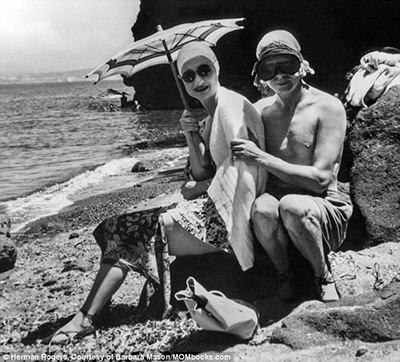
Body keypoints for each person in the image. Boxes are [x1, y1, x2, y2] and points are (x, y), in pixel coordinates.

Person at [44, 41, 266, 344]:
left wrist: (194, 189)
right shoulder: (211, 115)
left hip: (228, 221)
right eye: (188, 77)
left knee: (127, 228)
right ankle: (99, 304)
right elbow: (204, 171)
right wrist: (191, 136)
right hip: (214, 207)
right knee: (113, 225)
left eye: (204, 71)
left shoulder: (230, 109)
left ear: (217, 69)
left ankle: (86, 317)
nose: (198, 81)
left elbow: (243, 172)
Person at [230, 30, 353, 303]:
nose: (280, 75)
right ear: (258, 75)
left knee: (293, 206)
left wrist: (262, 157)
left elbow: (321, 180)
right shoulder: (259, 111)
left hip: (322, 205)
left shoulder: (327, 107)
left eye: (288, 65)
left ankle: (322, 275)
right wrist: (194, 130)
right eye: (269, 69)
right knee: (261, 209)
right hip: (277, 204)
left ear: (302, 65)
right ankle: (284, 273)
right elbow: (224, 137)